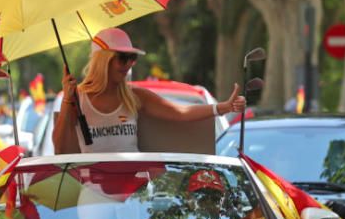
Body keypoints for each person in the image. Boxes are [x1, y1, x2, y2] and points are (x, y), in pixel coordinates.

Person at [52, 28, 246, 154]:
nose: (128, 64)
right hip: (93, 190)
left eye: (132, 58)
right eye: (122, 58)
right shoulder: (76, 99)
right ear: (103, 60)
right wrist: (67, 101)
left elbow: (179, 112)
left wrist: (223, 107)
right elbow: (60, 151)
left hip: (135, 189)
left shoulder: (134, 96)